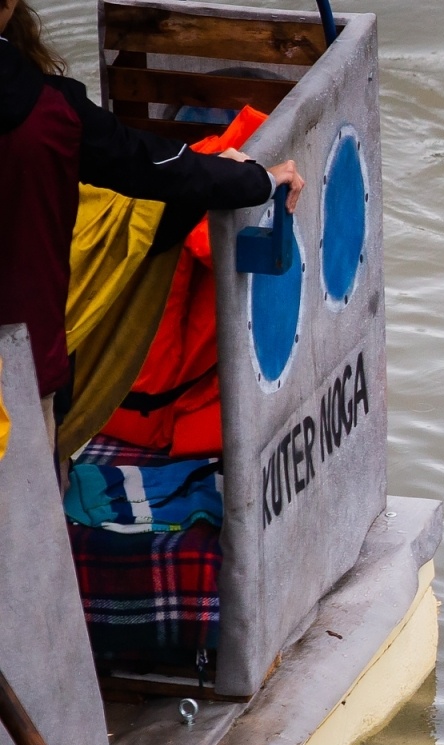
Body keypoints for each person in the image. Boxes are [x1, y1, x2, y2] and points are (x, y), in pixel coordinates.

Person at [0, 0, 304, 449]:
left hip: (25, 362)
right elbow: (148, 165)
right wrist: (257, 178)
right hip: (20, 365)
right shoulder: (48, 113)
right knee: (26, 507)